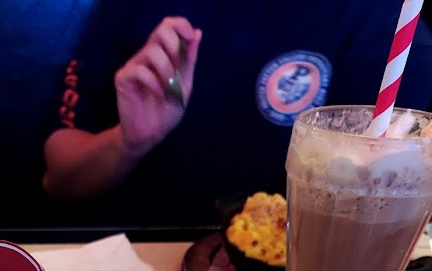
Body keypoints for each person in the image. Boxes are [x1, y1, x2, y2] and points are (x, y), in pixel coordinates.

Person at [43, 1, 432, 227]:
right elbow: (58, 179)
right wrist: (127, 142)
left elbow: (389, 216)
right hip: (139, 266)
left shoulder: (385, 26)